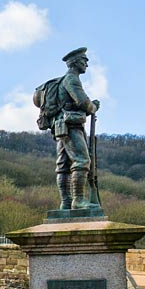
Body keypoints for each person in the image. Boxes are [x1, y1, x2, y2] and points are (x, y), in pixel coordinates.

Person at [54, 47, 100, 210]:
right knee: (82, 160)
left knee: (64, 165)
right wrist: (93, 106)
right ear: (75, 62)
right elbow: (82, 102)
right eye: (84, 60)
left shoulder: (64, 80)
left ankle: (65, 202)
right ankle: (78, 200)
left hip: (62, 127)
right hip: (71, 126)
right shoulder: (72, 79)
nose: (86, 64)